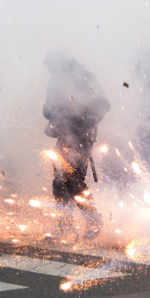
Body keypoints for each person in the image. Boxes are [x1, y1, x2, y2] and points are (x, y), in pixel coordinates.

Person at [43, 48, 110, 238]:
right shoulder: (55, 80)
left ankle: (93, 221)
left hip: (81, 137)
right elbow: (49, 108)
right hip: (64, 135)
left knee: (73, 181)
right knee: (58, 182)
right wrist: (50, 110)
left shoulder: (84, 77)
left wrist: (85, 125)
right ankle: (65, 225)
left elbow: (104, 104)